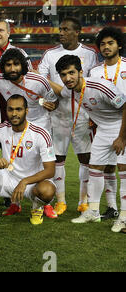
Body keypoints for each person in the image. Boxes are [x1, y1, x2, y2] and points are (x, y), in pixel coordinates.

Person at [52, 55, 126, 232]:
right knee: (94, 169)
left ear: (80, 72)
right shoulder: (71, 90)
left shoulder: (99, 86)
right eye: (63, 74)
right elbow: (58, 91)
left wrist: (122, 138)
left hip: (121, 126)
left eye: (71, 73)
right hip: (103, 129)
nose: (68, 78)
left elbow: (125, 106)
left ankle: (124, 217)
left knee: (123, 170)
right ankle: (92, 211)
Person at [38, 17, 99, 215]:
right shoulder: (50, 54)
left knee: (85, 159)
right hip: (58, 115)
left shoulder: (90, 54)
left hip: (83, 115)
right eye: (60, 29)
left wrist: (94, 112)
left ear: (77, 31)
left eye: (65, 29)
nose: (61, 32)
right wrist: (47, 99)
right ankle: (61, 201)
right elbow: (41, 80)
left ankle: (83, 201)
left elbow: (93, 83)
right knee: (58, 160)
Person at [0, 48, 58, 218]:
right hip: (15, 127)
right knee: (15, 163)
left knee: (43, 165)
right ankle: (15, 203)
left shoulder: (39, 80)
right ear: (3, 67)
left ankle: (44, 204)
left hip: (39, 127)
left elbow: (53, 99)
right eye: (8, 65)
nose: (12, 68)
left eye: (16, 64)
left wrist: (51, 104)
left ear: (23, 65)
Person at [0, 94, 56, 226]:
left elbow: (50, 170)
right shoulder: (1, 128)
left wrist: (25, 181)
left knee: (48, 191)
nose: (14, 114)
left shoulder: (40, 133)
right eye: (10, 109)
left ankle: (36, 208)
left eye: (19, 109)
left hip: (31, 183)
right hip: (6, 178)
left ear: (26, 111)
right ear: (6, 111)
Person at [89, 26, 125, 220]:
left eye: (110, 43)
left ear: (119, 44)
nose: (106, 47)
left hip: (124, 124)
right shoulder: (94, 71)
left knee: (123, 168)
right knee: (108, 167)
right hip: (103, 125)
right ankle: (112, 208)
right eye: (102, 44)